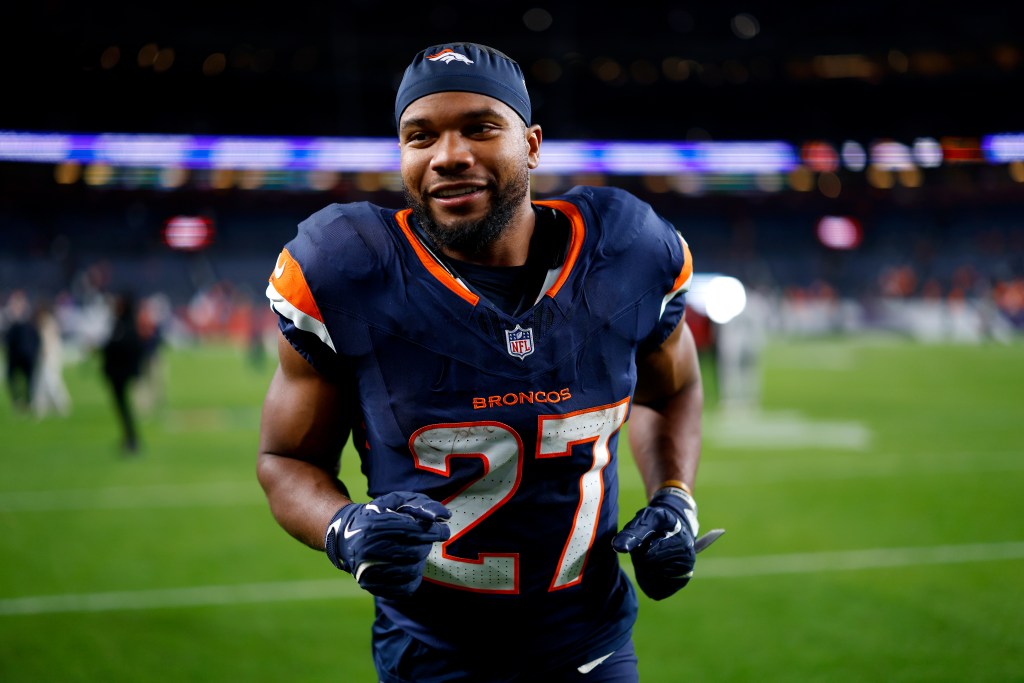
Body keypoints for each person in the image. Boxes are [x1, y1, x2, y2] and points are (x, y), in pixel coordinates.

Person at [258, 42, 714, 683]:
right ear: (403, 155)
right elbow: (287, 458)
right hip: (431, 656)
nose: (448, 156)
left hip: (592, 645)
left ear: (530, 144)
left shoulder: (628, 252)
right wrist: (345, 528)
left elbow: (673, 391)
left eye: (479, 127)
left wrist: (674, 498)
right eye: (421, 136)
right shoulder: (348, 272)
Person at [100, 292, 145, 453]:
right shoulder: (120, 323)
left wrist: (107, 348)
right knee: (122, 407)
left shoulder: (126, 325)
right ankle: (129, 438)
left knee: (123, 407)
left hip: (120, 372)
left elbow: (127, 347)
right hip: (117, 372)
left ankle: (132, 440)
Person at [31, 299, 71, 418]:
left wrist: (46, 353)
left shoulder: (47, 322)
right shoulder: (46, 321)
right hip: (47, 355)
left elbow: (49, 340)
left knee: (50, 380)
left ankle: (61, 404)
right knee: (40, 381)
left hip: (50, 355)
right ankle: (40, 407)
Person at [3, 290, 40, 414]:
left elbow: (36, 338)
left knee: (29, 380)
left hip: (27, 355)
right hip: (15, 356)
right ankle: (19, 400)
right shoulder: (9, 318)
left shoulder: (29, 318)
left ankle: (27, 402)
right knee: (11, 378)